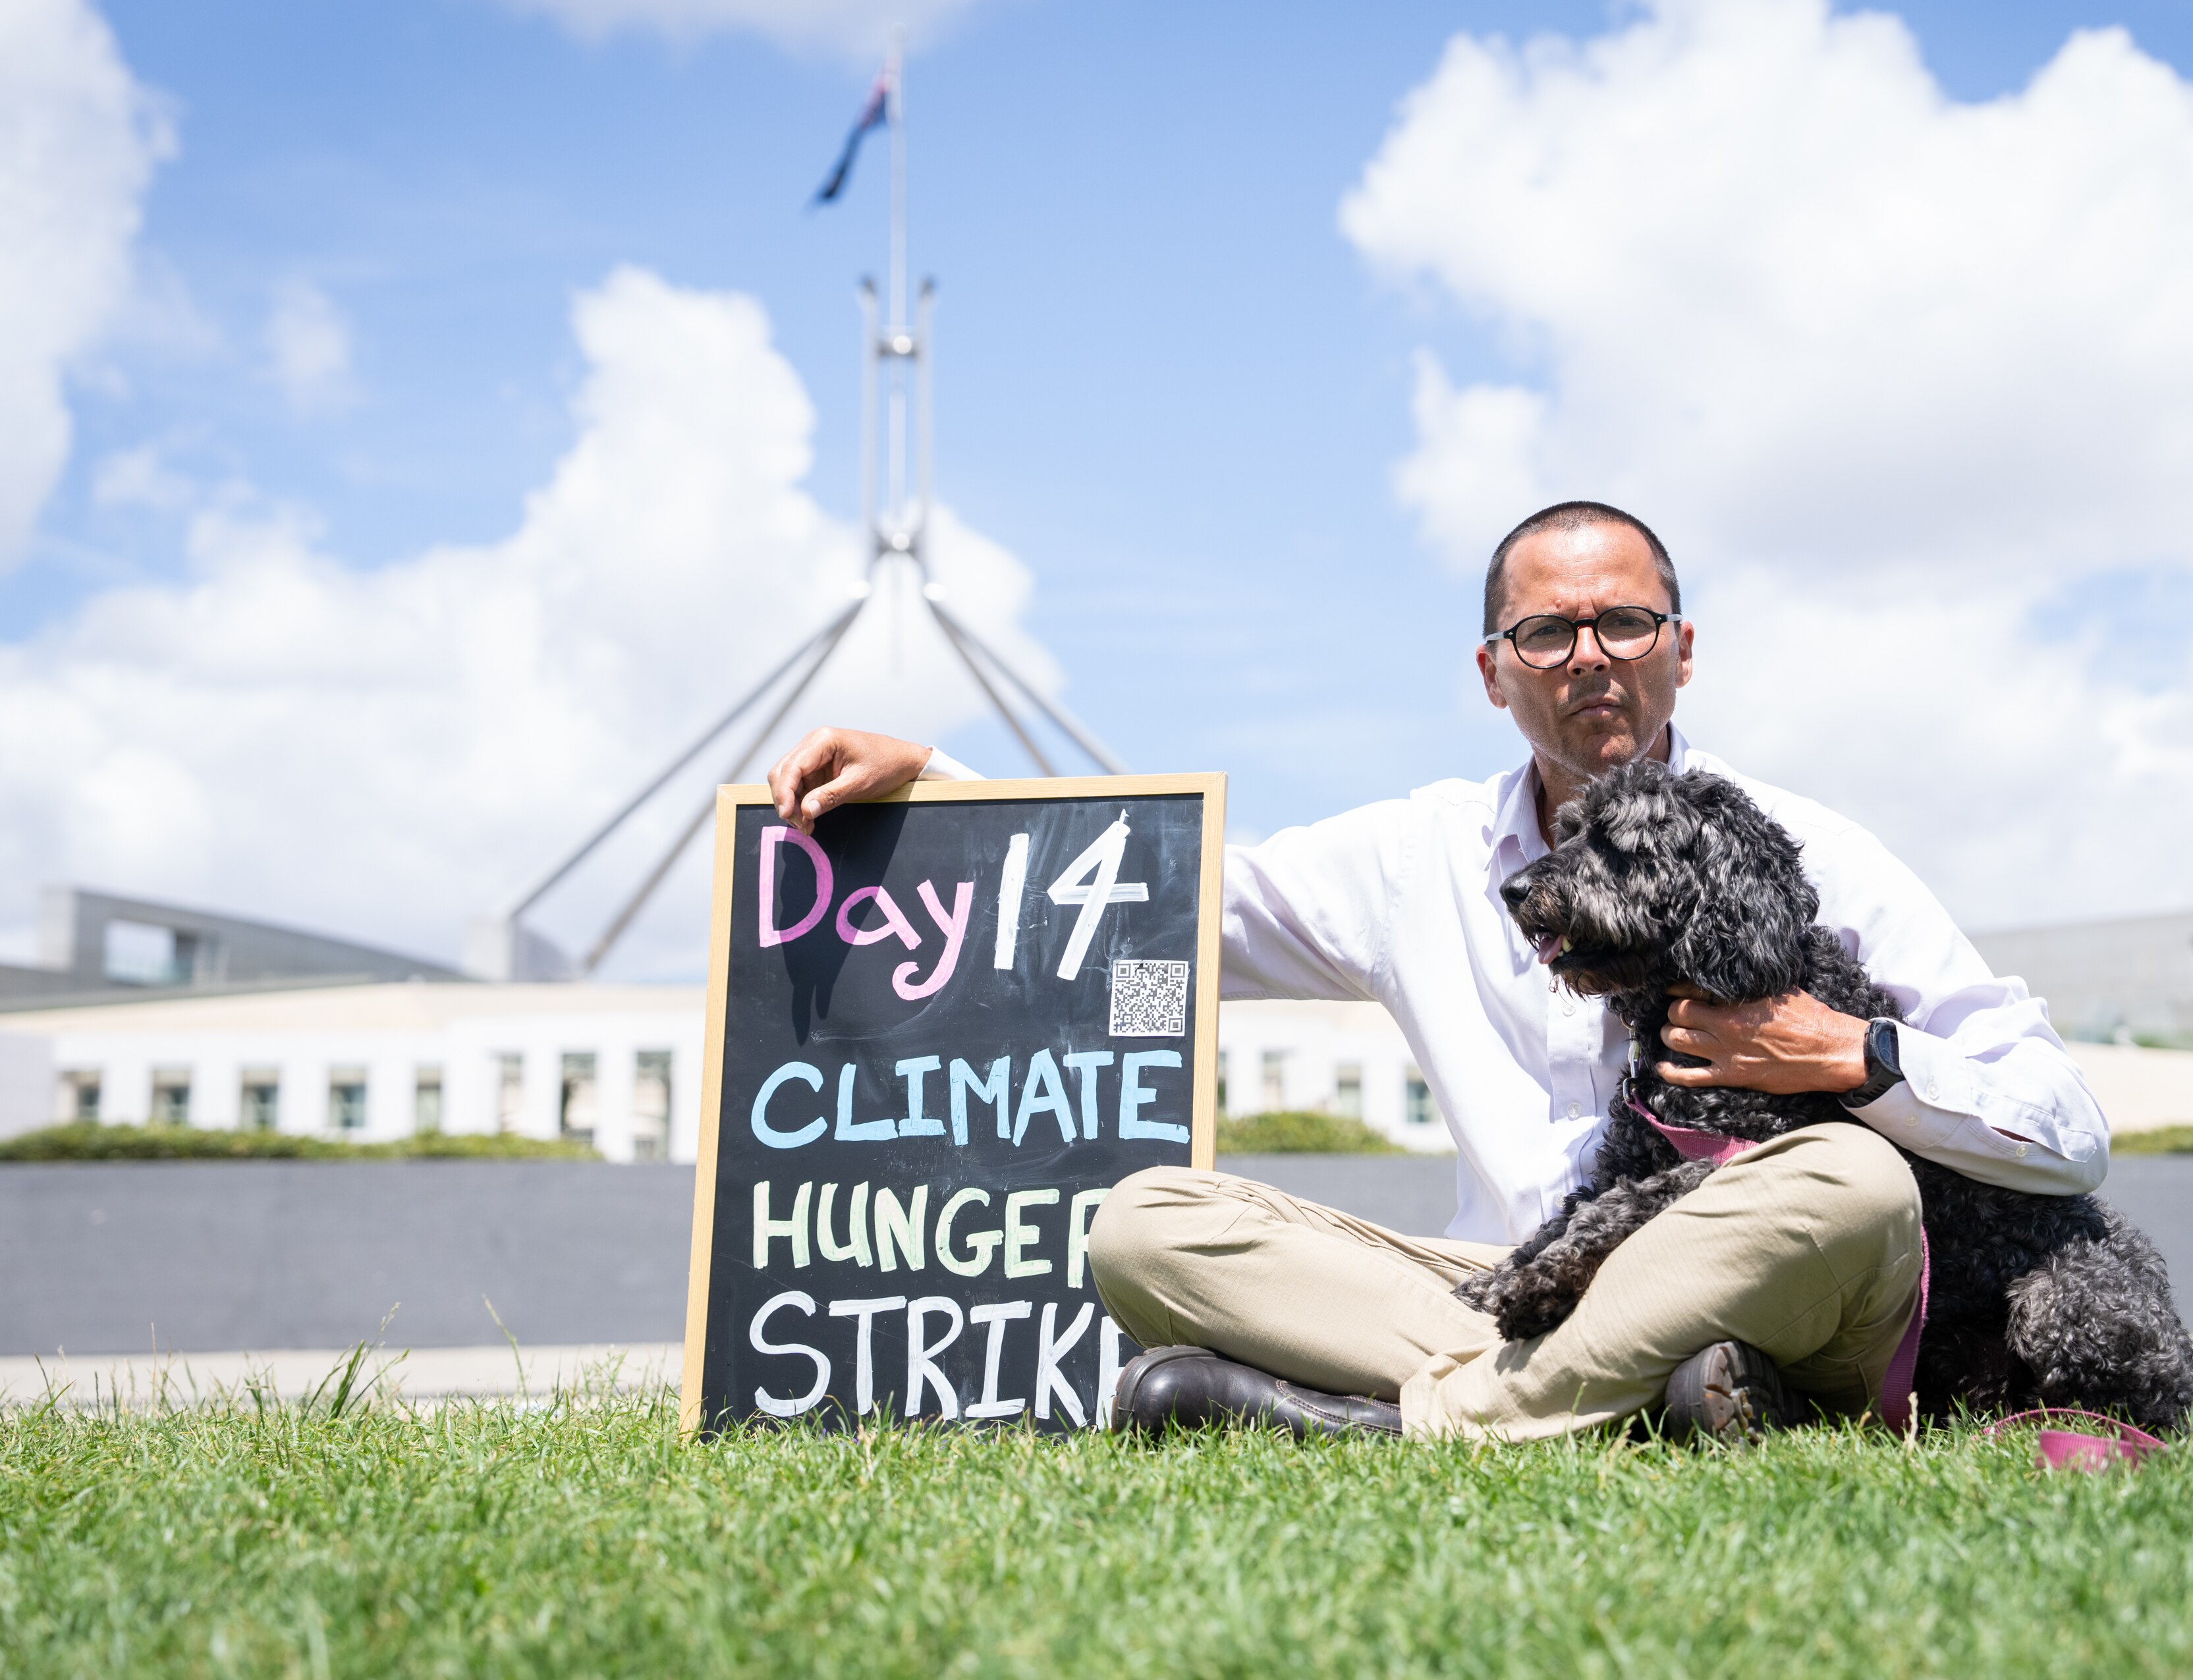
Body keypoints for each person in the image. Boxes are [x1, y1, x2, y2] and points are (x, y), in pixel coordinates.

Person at [766, 501, 2109, 1443]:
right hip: (1503, 1274)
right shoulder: (1415, 853)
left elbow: (2066, 1128)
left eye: (1624, 619)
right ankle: (1642, 1394)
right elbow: (1157, 901)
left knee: (1853, 1179)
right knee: (1140, 1226)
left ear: (1680, 648)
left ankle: (1394, 1419)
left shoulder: (1812, 849)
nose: (1589, 653)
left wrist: (1860, 1062)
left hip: (1779, 1278)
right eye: (1546, 632)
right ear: (1491, 673)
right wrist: (946, 783)